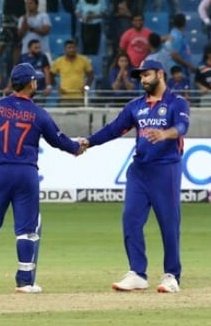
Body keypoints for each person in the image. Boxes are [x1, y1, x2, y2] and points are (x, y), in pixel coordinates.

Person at [0, 63, 84, 294]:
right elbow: (58, 140)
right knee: (27, 228)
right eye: (36, 80)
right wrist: (77, 147)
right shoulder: (38, 113)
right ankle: (25, 280)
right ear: (30, 83)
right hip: (25, 173)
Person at [80, 59, 190, 294]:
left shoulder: (176, 102)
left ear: (160, 74)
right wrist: (89, 141)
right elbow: (113, 129)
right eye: (140, 76)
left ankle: (172, 275)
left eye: (147, 75)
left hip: (166, 169)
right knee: (131, 220)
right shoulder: (135, 106)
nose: (143, 80)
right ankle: (137, 273)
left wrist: (165, 134)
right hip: (139, 171)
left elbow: (182, 127)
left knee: (169, 224)